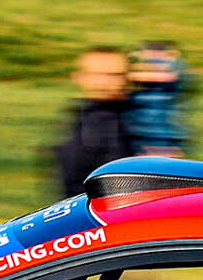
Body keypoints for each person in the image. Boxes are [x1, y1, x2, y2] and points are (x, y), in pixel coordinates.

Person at [52, 46, 135, 196]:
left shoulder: (131, 116)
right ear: (78, 77)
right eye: (98, 75)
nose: (105, 82)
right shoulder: (83, 126)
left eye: (116, 75)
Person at [125, 40, 195, 156]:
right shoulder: (139, 83)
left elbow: (168, 77)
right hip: (140, 138)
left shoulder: (176, 74)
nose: (154, 60)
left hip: (167, 138)